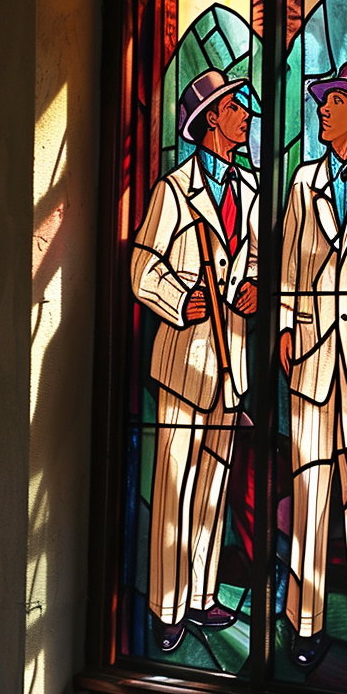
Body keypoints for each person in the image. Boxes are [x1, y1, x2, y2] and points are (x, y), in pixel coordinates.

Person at [131, 68, 259, 652]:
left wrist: (253, 284)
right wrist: (180, 299)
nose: (245, 117)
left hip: (231, 364)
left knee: (212, 488)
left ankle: (202, 593)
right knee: (174, 486)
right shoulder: (174, 190)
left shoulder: (251, 190)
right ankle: (165, 604)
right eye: (236, 108)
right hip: (183, 361)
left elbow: (255, 258)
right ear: (211, 118)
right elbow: (142, 268)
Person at [278, 62, 347, 670]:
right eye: (323, 101)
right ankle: (305, 620)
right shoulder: (302, 182)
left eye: (334, 101)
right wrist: (287, 325)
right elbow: (292, 262)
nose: (322, 109)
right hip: (314, 356)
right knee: (310, 490)